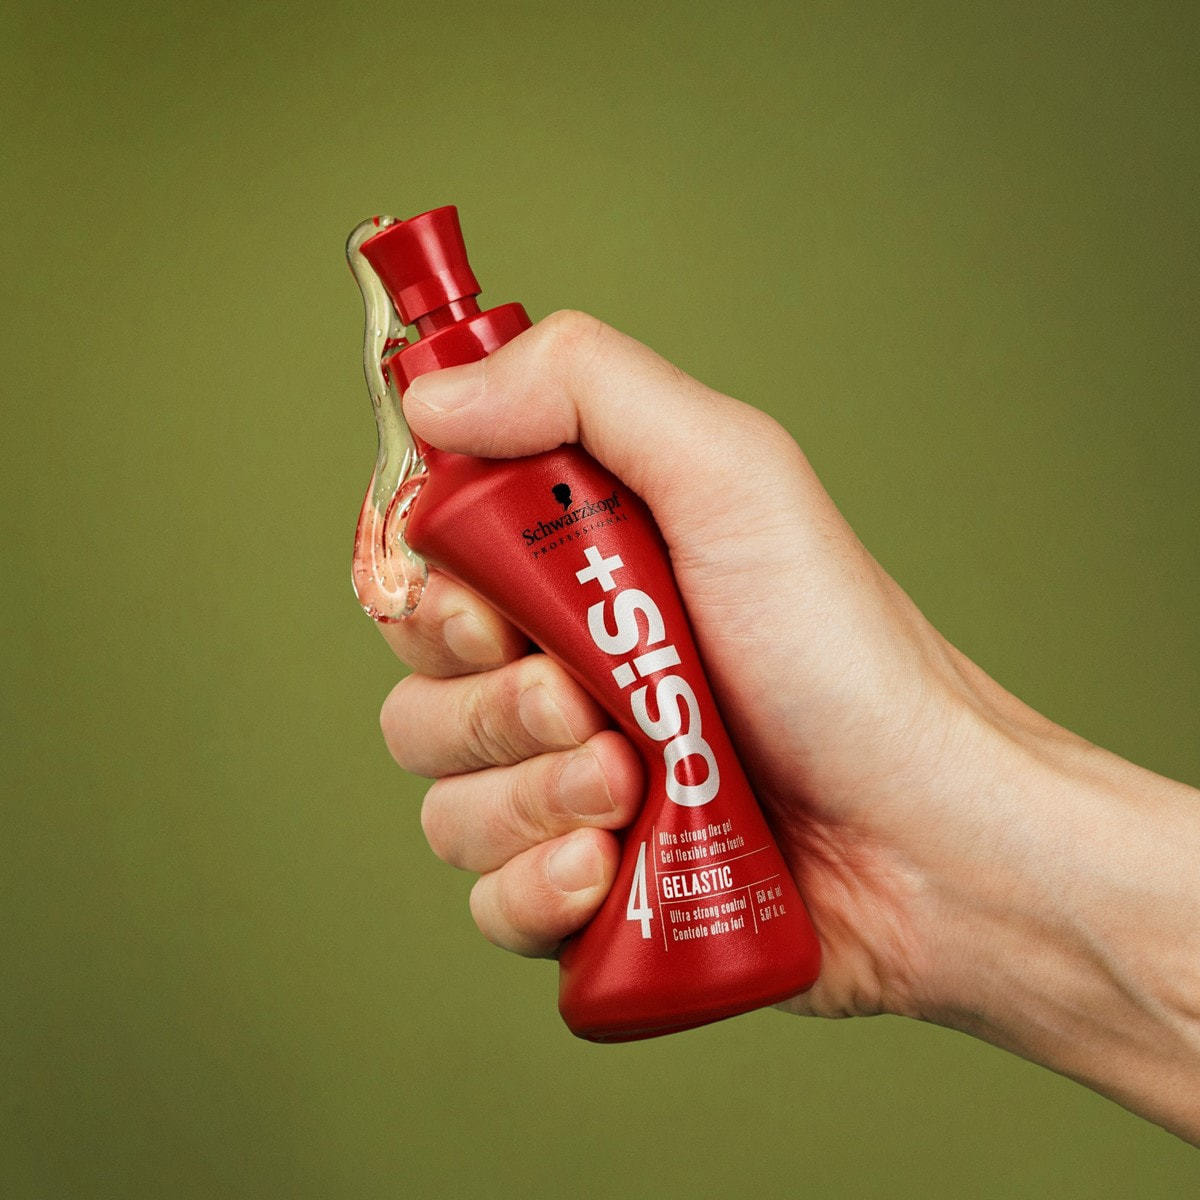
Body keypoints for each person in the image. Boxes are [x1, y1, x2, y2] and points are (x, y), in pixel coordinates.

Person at [374, 310, 1200, 1145]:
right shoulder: (492, 496)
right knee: (573, 708)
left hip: (764, 887)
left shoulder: (577, 456)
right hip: (778, 885)